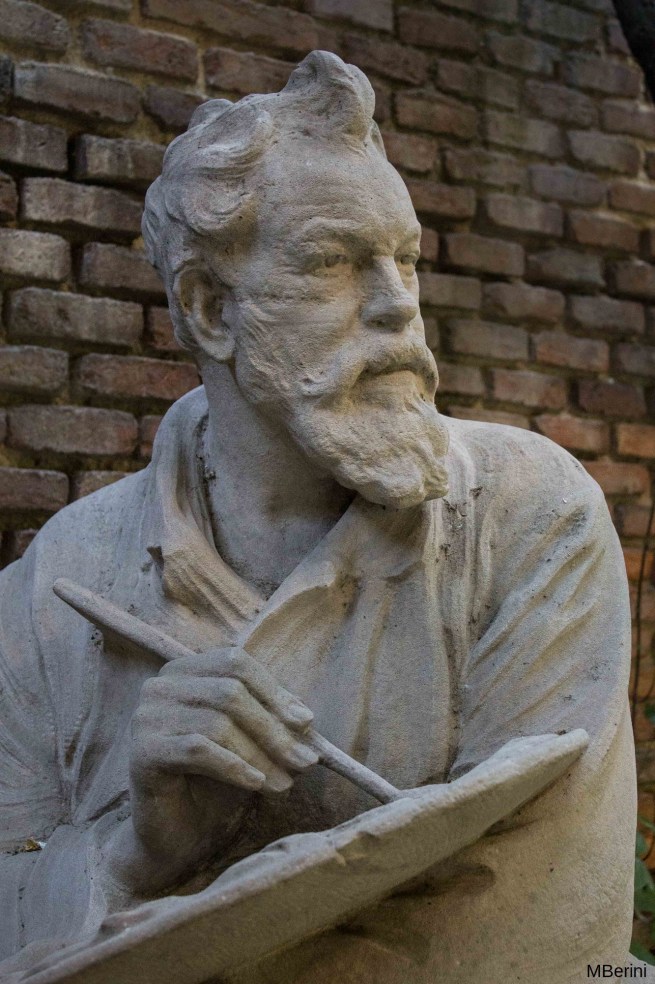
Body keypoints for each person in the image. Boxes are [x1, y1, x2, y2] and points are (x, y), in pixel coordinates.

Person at [0, 51, 638, 982]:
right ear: (209, 309)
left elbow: (538, 921)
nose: (398, 307)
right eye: (334, 262)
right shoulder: (59, 582)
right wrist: (140, 852)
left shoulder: (526, 514)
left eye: (405, 260)